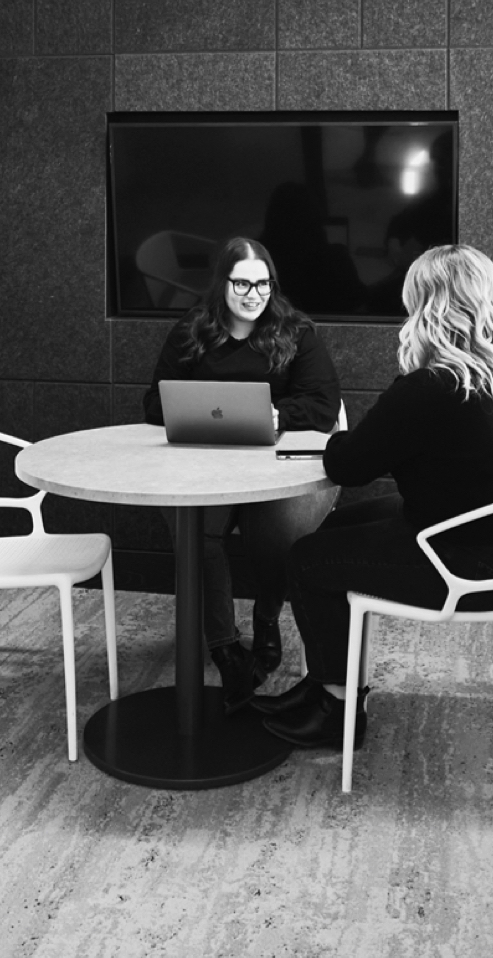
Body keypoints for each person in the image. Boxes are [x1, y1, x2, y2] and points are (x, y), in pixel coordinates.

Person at [252, 244, 493, 750]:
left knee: (306, 557)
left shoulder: (430, 387)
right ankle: (323, 685)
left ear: (427, 307)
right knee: (335, 529)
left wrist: (341, 434)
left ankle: (336, 710)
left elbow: (348, 465)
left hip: (460, 565)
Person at [143, 236, 342, 713]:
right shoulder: (192, 331)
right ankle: (226, 648)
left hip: (277, 468)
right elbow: (154, 405)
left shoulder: (296, 332)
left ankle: (268, 619)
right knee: (192, 527)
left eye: (263, 283)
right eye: (242, 283)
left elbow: (322, 404)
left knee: (274, 537)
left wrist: (277, 416)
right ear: (222, 284)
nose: (254, 294)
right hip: (207, 467)